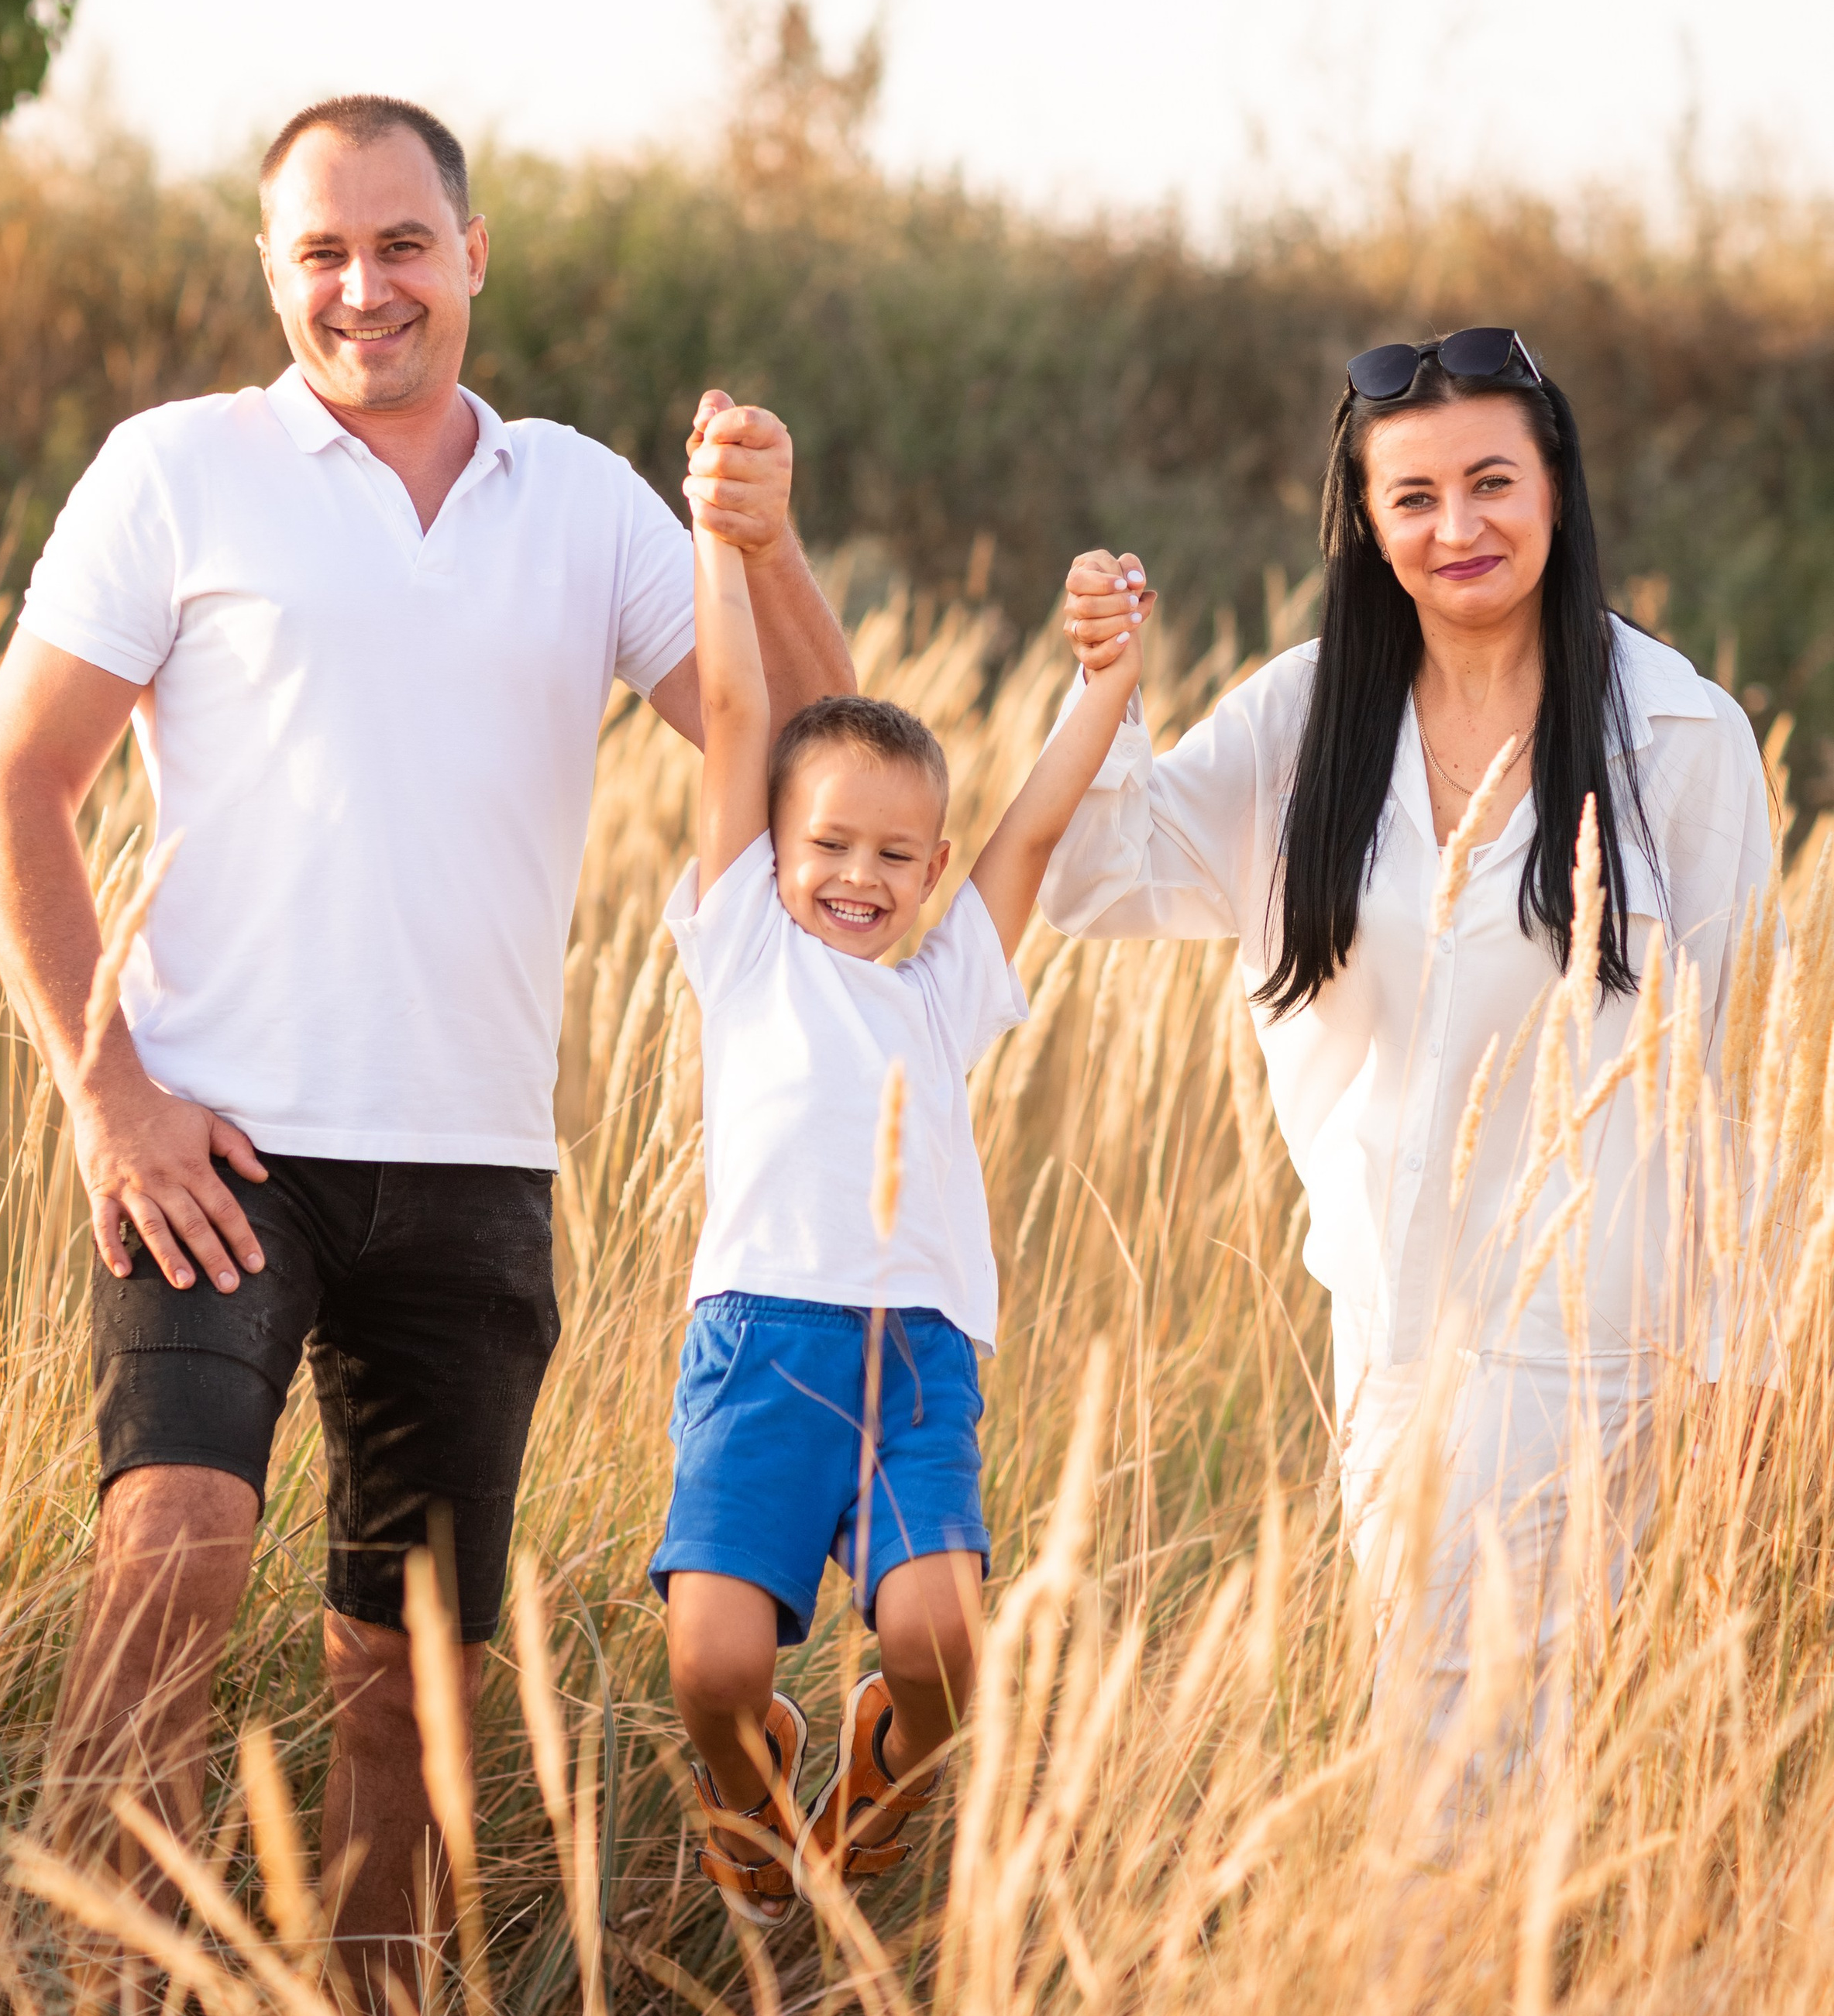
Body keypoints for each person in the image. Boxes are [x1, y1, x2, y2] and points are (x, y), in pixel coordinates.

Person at [0, 93, 855, 2016]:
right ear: (275, 271)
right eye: (319, 253)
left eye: (401, 246)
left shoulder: (591, 504)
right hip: (214, 1149)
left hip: (470, 1167)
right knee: (170, 1561)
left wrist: (758, 547)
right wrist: (105, 1090)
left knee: (407, 1675)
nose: (363, 288)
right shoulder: (180, 471)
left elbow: (812, 771)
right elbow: (10, 787)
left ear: (469, 258)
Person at [1044, 329, 1770, 1773]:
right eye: (1415, 498)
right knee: (1451, 1730)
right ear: (1368, 525)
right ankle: (1477, 1995)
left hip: (1593, 1338)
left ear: (1557, 489)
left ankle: (1412, 1984)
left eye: (1492, 482)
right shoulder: (1306, 715)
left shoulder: (1680, 734)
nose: (1459, 528)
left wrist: (1738, 1385)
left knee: (1460, 1747)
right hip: (1383, 1323)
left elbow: (1743, 1063)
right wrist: (1107, 688)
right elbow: (1094, 880)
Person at [651, 501, 1150, 1924]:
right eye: (831, 847)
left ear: (935, 873)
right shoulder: (744, 945)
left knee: (948, 1642)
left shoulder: (944, 994)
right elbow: (740, 702)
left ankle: (883, 1766)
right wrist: (718, 536)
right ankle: (751, 1796)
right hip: (760, 1349)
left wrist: (1106, 679)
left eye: (895, 858)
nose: (860, 878)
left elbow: (1040, 825)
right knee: (714, 1668)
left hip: (917, 1358)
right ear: (771, 849)